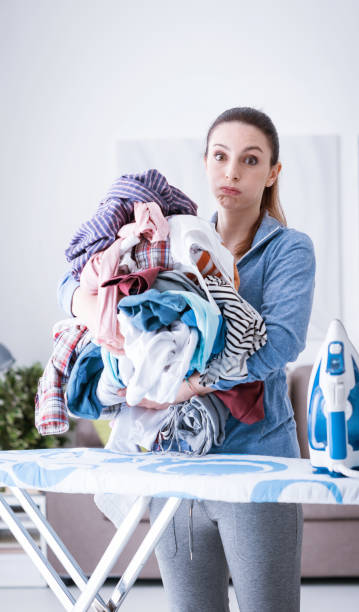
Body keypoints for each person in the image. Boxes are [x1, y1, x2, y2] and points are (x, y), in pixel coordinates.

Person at [59, 106, 315, 611]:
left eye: (250, 159)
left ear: (272, 173)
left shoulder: (289, 250)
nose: (232, 172)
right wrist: (97, 311)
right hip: (175, 464)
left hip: (256, 465)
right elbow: (73, 278)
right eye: (220, 157)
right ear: (205, 161)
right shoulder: (171, 237)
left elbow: (279, 345)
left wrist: (182, 385)